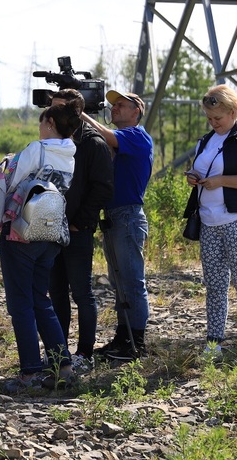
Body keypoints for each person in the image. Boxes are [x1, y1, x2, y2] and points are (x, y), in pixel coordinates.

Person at [0, 102, 82, 392]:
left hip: (21, 232)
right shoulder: (69, 155)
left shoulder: (37, 148)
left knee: (20, 303)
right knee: (40, 298)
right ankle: (63, 366)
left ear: (50, 123)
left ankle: (30, 372)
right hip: (50, 233)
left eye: (42, 121)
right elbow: (18, 174)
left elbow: (6, 184)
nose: (40, 127)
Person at [185, 85, 237, 360]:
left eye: (218, 118)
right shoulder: (205, 141)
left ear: (233, 112)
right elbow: (201, 169)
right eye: (209, 118)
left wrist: (221, 181)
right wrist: (193, 177)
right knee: (215, 285)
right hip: (209, 221)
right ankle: (214, 345)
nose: (213, 122)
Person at [80, 90, 154, 361]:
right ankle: (124, 338)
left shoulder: (137, 136)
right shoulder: (122, 141)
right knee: (119, 282)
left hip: (127, 216)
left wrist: (80, 113)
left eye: (121, 105)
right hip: (114, 217)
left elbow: (106, 135)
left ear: (136, 111)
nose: (114, 108)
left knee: (132, 282)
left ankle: (137, 342)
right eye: (113, 105)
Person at [47, 89, 114, 375]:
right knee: (56, 293)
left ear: (75, 113)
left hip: (77, 230)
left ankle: (85, 353)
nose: (51, 116)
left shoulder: (93, 143)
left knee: (82, 293)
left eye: (58, 109)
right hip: (51, 229)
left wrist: (80, 222)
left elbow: (103, 188)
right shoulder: (51, 142)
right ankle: (58, 355)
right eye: (50, 110)